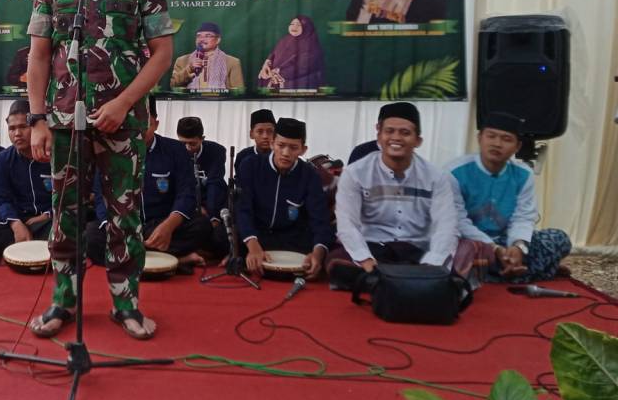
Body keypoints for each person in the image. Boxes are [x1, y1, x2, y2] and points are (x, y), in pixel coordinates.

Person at [26, 0, 175, 341]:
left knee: (124, 216)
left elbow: (163, 54)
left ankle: (126, 305)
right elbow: (38, 56)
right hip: (64, 122)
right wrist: (37, 118)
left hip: (122, 123)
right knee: (64, 215)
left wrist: (123, 103)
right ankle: (63, 302)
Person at [325, 102, 491, 289]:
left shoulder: (436, 177)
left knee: (468, 249)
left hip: (419, 250)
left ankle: (386, 284)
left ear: (418, 140)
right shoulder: (355, 173)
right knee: (336, 261)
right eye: (389, 131)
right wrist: (365, 260)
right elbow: (347, 223)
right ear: (379, 135)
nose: (396, 138)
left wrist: (432, 265)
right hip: (374, 249)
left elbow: (446, 226)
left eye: (405, 133)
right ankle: (417, 284)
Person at [86, 96, 211, 270]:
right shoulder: (110, 150)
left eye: (147, 124)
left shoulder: (176, 150)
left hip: (161, 223)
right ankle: (175, 259)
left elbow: (186, 193)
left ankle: (131, 258)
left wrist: (168, 226)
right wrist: (112, 228)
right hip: (123, 224)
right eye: (133, 123)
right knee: (90, 236)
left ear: (156, 124)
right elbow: (101, 197)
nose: (140, 130)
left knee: (202, 226)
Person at [446, 113, 571, 281]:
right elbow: (458, 222)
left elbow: (523, 217)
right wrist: (494, 248)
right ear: (479, 138)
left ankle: (509, 269)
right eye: (491, 136)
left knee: (559, 238)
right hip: (470, 241)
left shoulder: (523, 174)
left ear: (517, 146)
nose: (497, 144)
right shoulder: (454, 172)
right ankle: (538, 269)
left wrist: (518, 246)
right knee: (458, 253)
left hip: (505, 240)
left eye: (506, 139)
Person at [236, 118, 333, 278]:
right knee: (223, 235)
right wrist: (253, 246)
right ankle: (245, 255)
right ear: (272, 143)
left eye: (293, 148)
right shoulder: (250, 165)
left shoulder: (309, 175)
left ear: (303, 150)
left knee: (322, 242)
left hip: (290, 238)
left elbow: (319, 219)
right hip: (257, 233)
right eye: (281, 145)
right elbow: (243, 209)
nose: (286, 153)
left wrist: (318, 254)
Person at [0, 100, 53, 260]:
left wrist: (48, 215)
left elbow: (69, 194)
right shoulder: (4, 158)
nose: (17, 133)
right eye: (12, 128)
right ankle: (37, 244)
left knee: (69, 226)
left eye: (23, 127)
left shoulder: (53, 154)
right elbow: (0, 198)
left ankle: (20, 246)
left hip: (48, 219)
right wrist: (15, 223)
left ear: (36, 127)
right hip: (19, 218)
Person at [174, 115, 229, 257]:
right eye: (183, 143)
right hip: (186, 205)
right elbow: (179, 188)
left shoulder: (216, 152)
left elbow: (215, 184)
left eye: (192, 144)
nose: (187, 148)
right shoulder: (174, 151)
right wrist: (194, 207)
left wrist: (213, 216)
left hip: (212, 203)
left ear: (202, 139)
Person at [170, 22, 245, 92]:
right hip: (191, 101)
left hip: (220, 101)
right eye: (199, 36)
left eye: (208, 36)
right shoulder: (182, 60)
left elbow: (238, 91)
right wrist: (189, 68)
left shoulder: (232, 62)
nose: (202, 39)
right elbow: (173, 85)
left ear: (218, 40)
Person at [257, 16, 325, 90]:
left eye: (298, 25)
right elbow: (274, 53)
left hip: (299, 84)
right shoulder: (285, 40)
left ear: (306, 27)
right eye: (292, 24)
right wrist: (267, 65)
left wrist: (277, 72)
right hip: (278, 80)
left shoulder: (311, 44)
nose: (294, 27)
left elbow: (304, 67)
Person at [234, 109, 276, 175]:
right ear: (251, 134)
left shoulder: (281, 157)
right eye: (260, 131)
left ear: (276, 134)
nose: (265, 136)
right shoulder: (243, 156)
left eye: (270, 131)